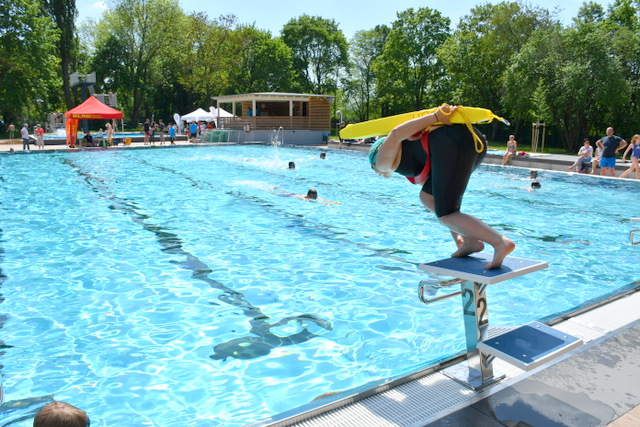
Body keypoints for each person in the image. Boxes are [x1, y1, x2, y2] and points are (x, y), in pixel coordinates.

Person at [369, 104, 514, 269]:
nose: (378, 172)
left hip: (452, 142)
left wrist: (436, 117)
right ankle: (470, 241)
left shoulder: (381, 163)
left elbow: (396, 133)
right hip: (469, 141)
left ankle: (500, 242)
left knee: (445, 214)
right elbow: (441, 200)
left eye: (372, 167)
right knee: (428, 198)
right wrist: (456, 236)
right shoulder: (412, 161)